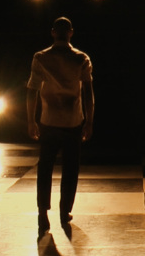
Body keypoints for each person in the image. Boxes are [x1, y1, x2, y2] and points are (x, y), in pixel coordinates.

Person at [26, 17, 95, 236]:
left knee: (45, 168)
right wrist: (89, 121)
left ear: (53, 32)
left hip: (49, 120)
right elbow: (88, 93)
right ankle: (65, 211)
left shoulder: (41, 57)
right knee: (70, 168)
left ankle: (42, 212)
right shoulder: (81, 58)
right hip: (72, 121)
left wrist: (31, 120)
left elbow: (32, 91)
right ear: (71, 33)